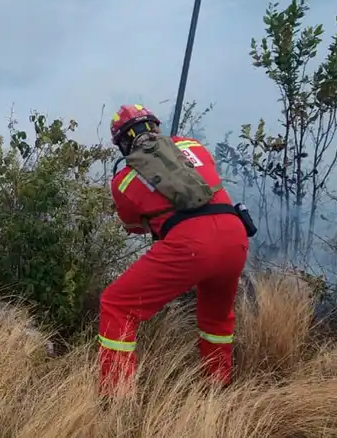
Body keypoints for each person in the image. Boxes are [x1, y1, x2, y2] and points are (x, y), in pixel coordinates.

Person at [98, 103, 252, 397]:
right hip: (235, 236)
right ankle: (217, 388)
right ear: (155, 127)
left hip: (191, 244)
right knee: (216, 318)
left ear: (122, 143)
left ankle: (115, 398)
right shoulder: (193, 145)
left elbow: (134, 226)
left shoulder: (124, 178)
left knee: (117, 304)